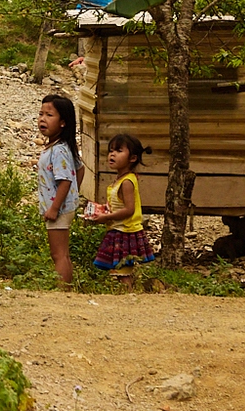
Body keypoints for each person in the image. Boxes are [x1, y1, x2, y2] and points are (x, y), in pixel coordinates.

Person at [83, 132, 155, 288]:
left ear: (133, 158)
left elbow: (129, 210)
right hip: (118, 230)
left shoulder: (127, 182)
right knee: (119, 270)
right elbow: (119, 204)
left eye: (118, 151)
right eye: (111, 151)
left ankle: (129, 296)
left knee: (123, 272)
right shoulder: (120, 180)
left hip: (126, 232)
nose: (112, 154)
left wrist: (107, 217)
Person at [34, 94, 82, 289]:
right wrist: (74, 194)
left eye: (49, 115)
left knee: (58, 253)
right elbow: (79, 168)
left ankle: (62, 290)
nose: (42, 119)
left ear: (63, 122)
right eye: (41, 114)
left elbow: (65, 180)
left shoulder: (59, 149)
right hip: (62, 206)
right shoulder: (58, 146)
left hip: (59, 209)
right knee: (62, 252)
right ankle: (66, 288)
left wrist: (55, 207)